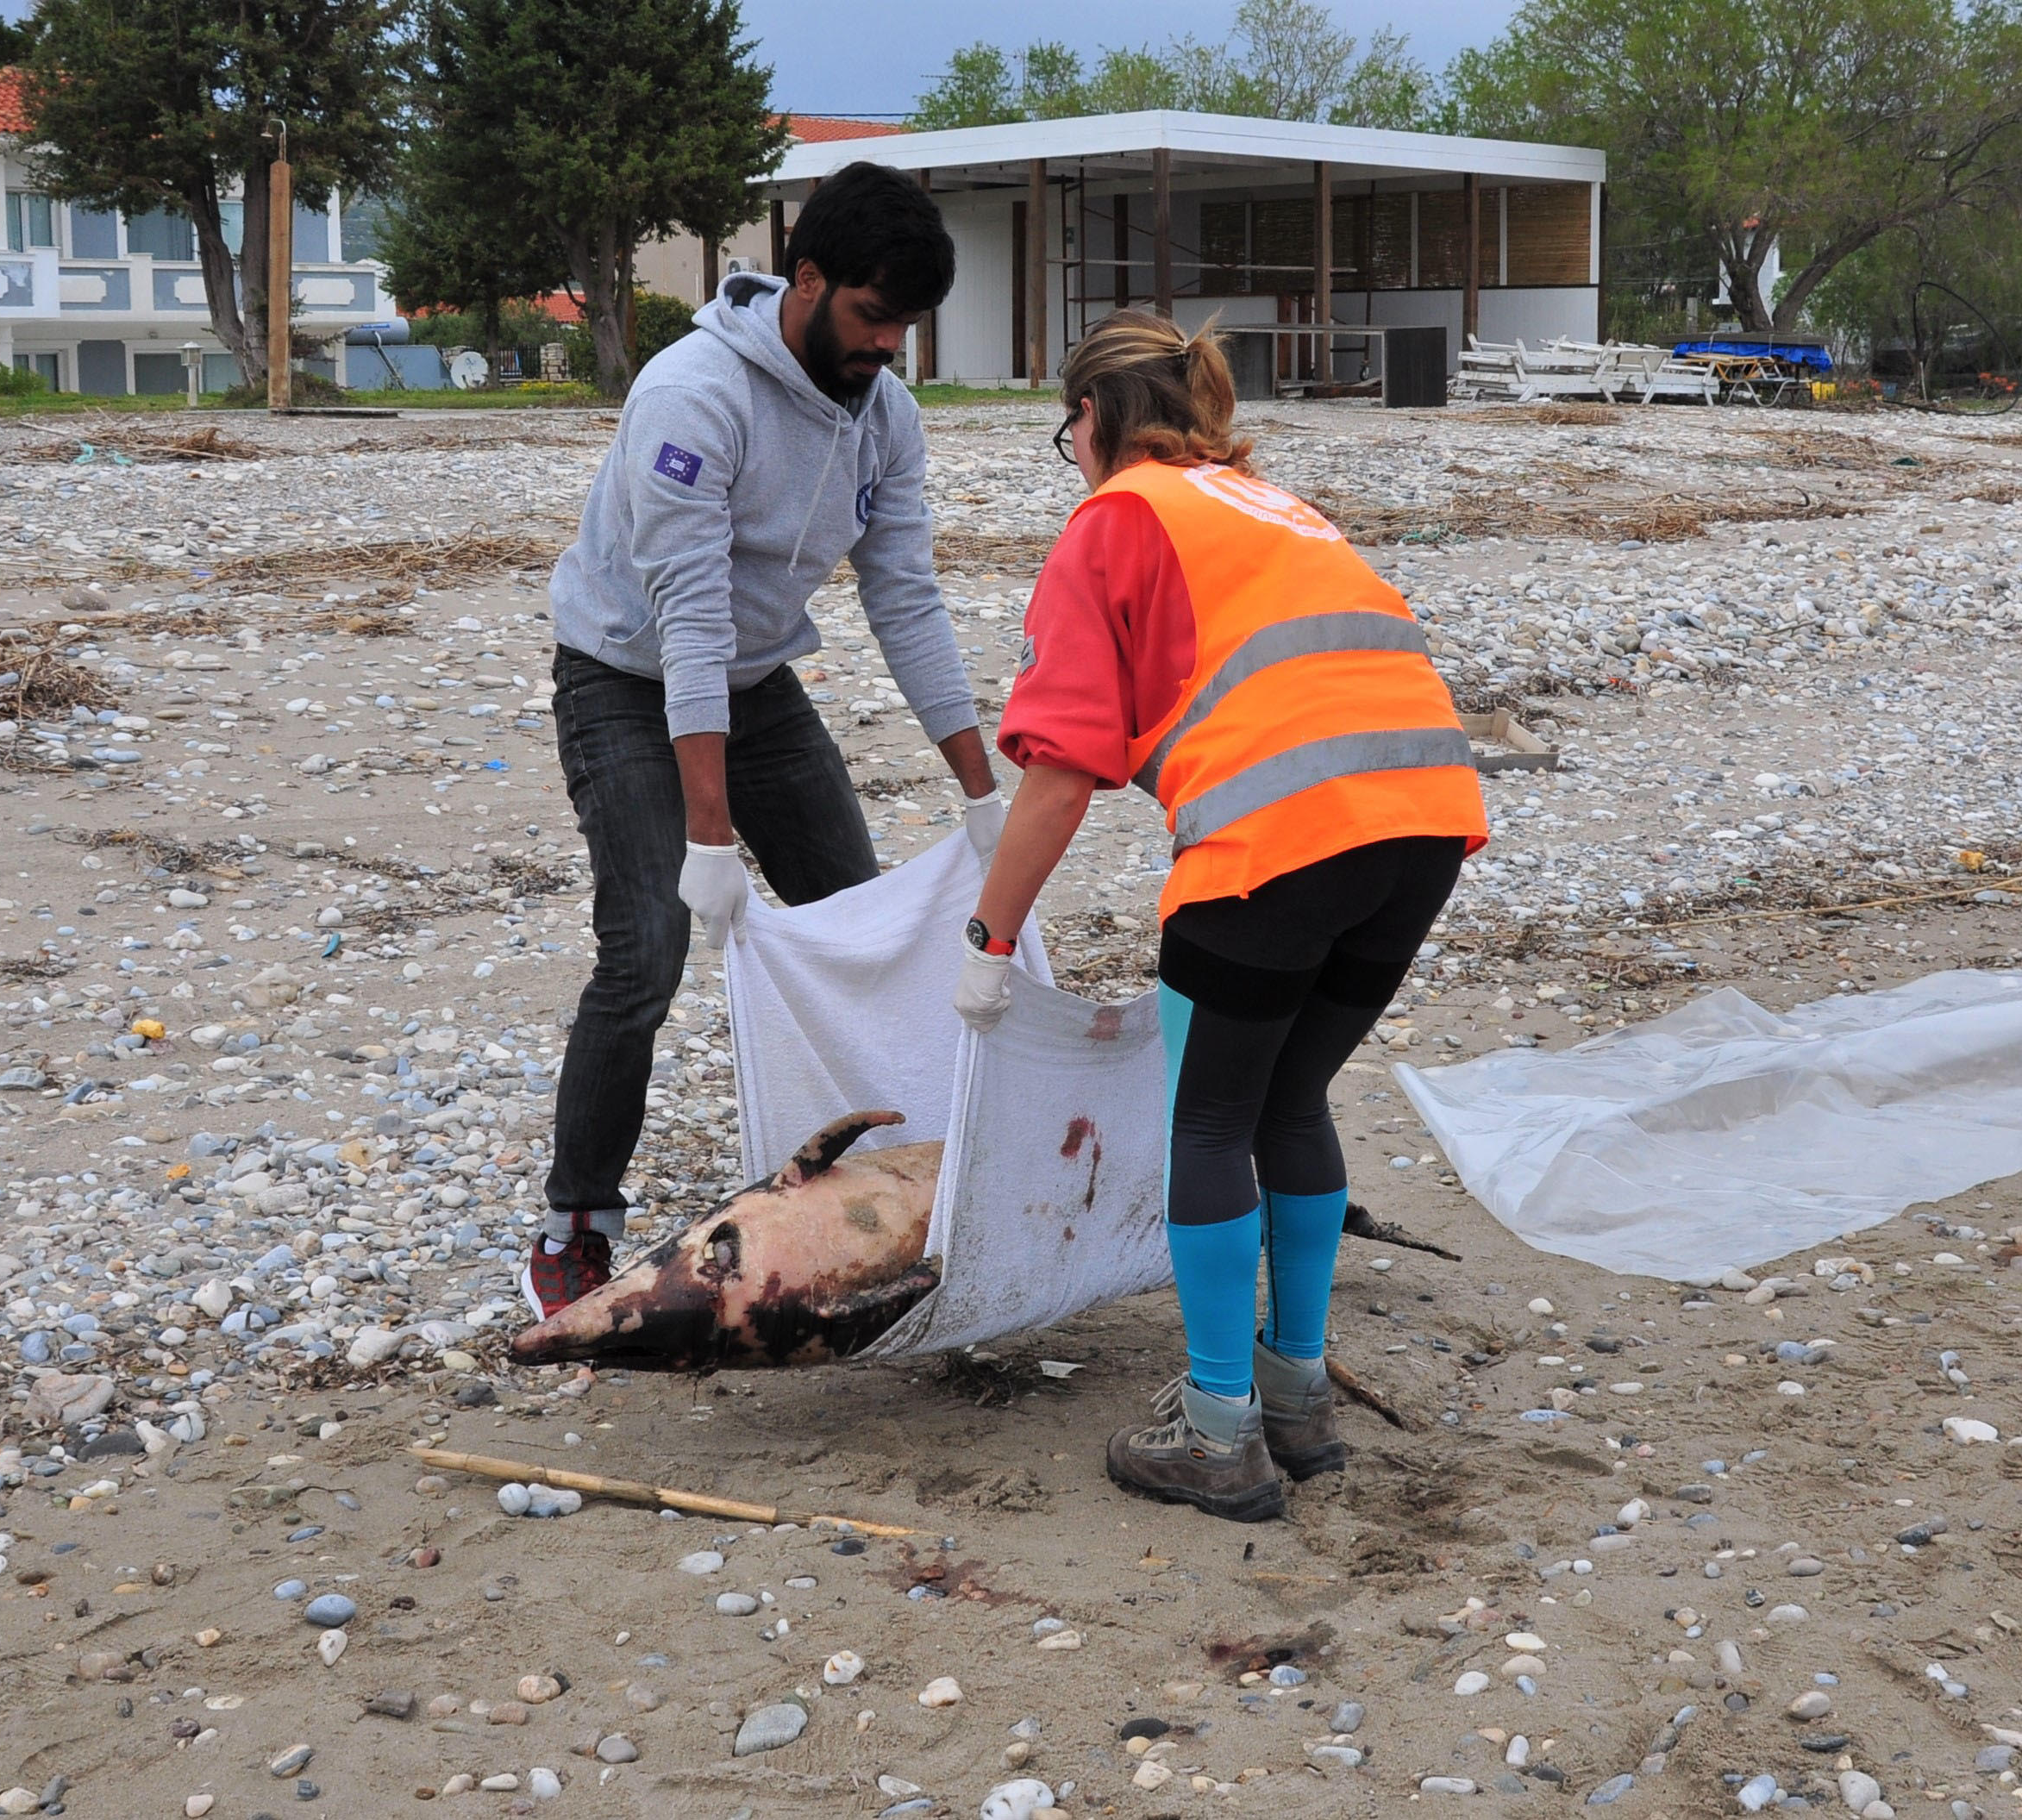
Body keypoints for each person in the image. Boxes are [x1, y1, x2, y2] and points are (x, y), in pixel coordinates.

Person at [959, 308, 1488, 1522]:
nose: (1071, 457)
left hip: (1280, 838)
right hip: (1425, 823)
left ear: (1090, 418)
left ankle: (1215, 1429)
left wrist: (989, 938)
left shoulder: (1115, 517)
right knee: (1291, 1099)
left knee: (1208, 1122)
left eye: (1066, 433)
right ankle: (1296, 1396)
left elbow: (1062, 770)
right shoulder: (1277, 506)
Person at [531, 161, 1005, 1321]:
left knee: (859, 922)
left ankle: (880, 1193)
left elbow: (905, 597)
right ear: (806, 279)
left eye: (907, 324)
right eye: (873, 314)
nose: (888, 344)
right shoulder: (692, 395)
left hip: (757, 681)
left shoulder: (885, 414)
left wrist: (983, 792)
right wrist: (709, 836)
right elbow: (687, 617)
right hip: (622, 672)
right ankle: (575, 1226)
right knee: (646, 950)